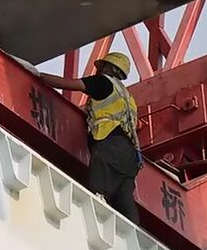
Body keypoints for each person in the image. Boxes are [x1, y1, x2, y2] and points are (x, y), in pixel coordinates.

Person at [13, 52, 143, 223]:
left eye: (102, 66)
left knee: (98, 191)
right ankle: (131, 235)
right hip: (131, 156)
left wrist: (39, 75)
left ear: (109, 68)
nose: (99, 70)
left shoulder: (104, 82)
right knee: (124, 198)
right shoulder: (128, 97)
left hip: (111, 146)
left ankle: (93, 220)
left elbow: (70, 84)